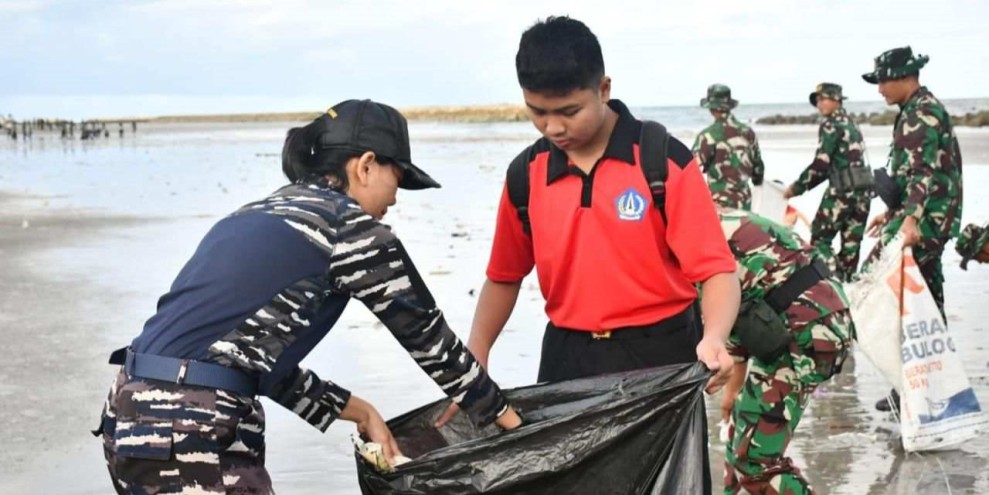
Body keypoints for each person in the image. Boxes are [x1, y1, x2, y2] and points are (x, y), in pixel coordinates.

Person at [94, 99, 522, 494]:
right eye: (399, 178)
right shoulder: (349, 228)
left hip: (129, 412)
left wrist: (361, 411)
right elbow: (432, 342)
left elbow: (245, 360)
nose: (395, 197)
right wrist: (515, 428)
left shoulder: (259, 212)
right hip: (190, 425)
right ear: (367, 166)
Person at [436, 16, 741, 493]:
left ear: (603, 87)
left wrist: (715, 336)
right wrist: (478, 351)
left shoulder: (661, 160)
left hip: (658, 356)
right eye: (537, 112)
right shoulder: (527, 174)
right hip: (566, 357)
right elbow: (504, 276)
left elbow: (717, 270)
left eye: (569, 110)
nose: (553, 127)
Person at [717, 207, 854, 495]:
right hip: (817, 316)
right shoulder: (716, 217)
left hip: (806, 332)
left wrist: (732, 383)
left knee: (755, 465)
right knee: (739, 439)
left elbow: (721, 313)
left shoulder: (692, 240)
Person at [861, 47, 963, 413]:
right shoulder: (917, 108)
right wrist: (893, 212)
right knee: (928, 300)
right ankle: (927, 384)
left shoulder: (920, 113)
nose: (880, 89)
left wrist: (910, 219)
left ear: (905, 76)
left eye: (884, 81)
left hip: (927, 221)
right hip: (927, 216)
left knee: (885, 290)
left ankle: (913, 386)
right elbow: (912, 173)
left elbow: (923, 172)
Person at [784, 83, 872, 282]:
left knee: (819, 238)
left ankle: (832, 280)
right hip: (864, 193)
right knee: (852, 244)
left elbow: (821, 164)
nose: (819, 105)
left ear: (835, 100)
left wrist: (797, 188)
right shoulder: (851, 123)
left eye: (822, 99)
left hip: (842, 192)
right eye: (817, 101)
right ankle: (848, 284)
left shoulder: (831, 125)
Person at [692, 84, 766, 210]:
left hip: (719, 205)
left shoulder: (707, 136)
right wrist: (756, 182)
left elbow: (691, 169)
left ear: (711, 109)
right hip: (744, 203)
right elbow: (758, 169)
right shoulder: (748, 132)